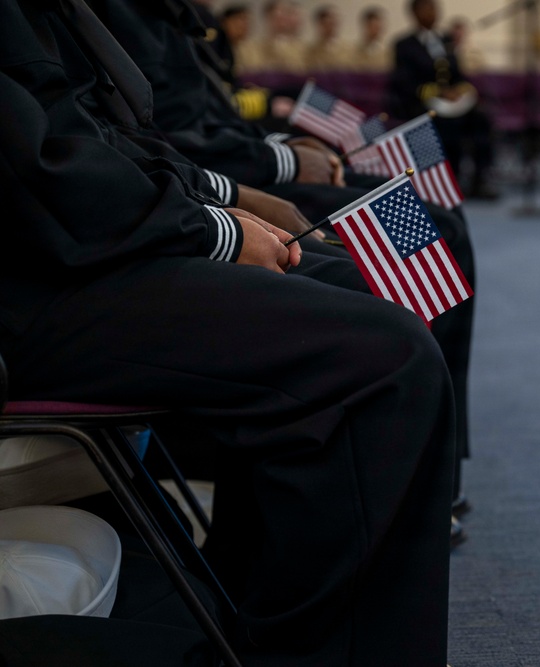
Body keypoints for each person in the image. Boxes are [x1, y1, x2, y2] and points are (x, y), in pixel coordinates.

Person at [0, 1, 455, 665]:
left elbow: (111, 138)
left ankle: (245, 605)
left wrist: (216, 209)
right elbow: (43, 169)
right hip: (31, 286)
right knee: (381, 358)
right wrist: (214, 224)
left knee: (369, 288)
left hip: (78, 248)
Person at [90, 0, 478, 537]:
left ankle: (439, 469)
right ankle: (412, 484)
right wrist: (281, 161)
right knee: (395, 268)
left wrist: (281, 144)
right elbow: (168, 139)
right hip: (210, 190)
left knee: (433, 231)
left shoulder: (173, 15)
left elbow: (208, 122)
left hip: (222, 176)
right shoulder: (125, 12)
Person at [389, 0, 499, 199]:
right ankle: (449, 180)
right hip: (421, 102)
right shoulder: (404, 44)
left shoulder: (446, 39)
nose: (432, 13)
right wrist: (438, 92)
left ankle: (480, 179)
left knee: (481, 118)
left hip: (451, 103)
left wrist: (461, 90)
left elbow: (457, 74)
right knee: (447, 125)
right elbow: (404, 82)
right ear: (414, 13)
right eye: (426, 9)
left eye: (434, 8)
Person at [235, 0, 307, 74]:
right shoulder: (248, 48)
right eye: (277, 17)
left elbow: (300, 72)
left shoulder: (300, 49)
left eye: (285, 16)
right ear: (268, 18)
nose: (282, 22)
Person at [304, 4, 346, 71]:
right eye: (330, 20)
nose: (333, 24)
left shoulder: (347, 48)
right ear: (320, 23)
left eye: (335, 20)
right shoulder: (311, 51)